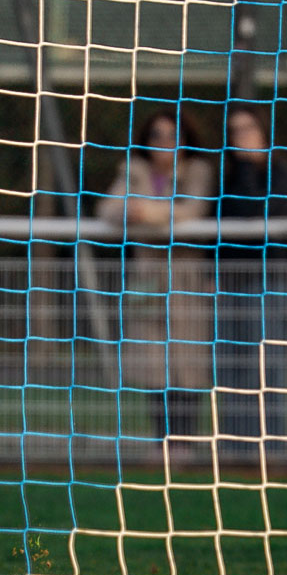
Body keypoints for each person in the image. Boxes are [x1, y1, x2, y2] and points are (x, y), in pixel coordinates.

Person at [96, 108, 215, 439]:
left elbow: (193, 210)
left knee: (187, 361)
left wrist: (145, 211)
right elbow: (108, 209)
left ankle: (185, 440)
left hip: (186, 280)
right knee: (153, 361)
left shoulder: (198, 170)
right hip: (147, 280)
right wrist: (139, 211)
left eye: (172, 136)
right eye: (157, 136)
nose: (164, 143)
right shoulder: (134, 170)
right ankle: (160, 440)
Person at [215, 104, 287, 439]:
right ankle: (236, 445)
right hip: (228, 281)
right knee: (230, 367)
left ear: (263, 131)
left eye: (247, 128)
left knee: (265, 365)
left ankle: (271, 443)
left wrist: (249, 163)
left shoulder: (279, 171)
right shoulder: (226, 174)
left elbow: (255, 211)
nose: (240, 136)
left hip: (265, 280)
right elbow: (217, 226)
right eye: (234, 130)